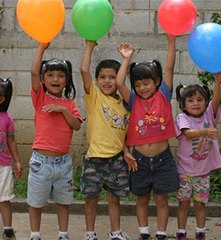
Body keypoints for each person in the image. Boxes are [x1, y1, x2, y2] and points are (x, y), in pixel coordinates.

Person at [116, 35, 179, 240]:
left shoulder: (163, 95)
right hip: (139, 160)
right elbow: (119, 83)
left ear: (157, 82)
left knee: (162, 199)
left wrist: (171, 42)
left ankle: (161, 233)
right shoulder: (133, 100)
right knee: (141, 199)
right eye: (138, 84)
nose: (142, 88)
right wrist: (126, 58)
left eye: (147, 83)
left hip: (163, 159)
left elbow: (169, 68)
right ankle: (144, 233)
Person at [27, 43, 82, 240]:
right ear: (43, 80)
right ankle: (35, 235)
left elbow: (76, 125)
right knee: (35, 202)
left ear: (66, 80)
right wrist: (42, 47)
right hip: (41, 162)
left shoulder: (70, 104)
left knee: (63, 202)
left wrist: (62, 110)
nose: (55, 79)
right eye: (50, 75)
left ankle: (63, 234)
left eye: (60, 75)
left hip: (63, 163)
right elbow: (33, 72)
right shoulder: (40, 98)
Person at [80, 40, 129, 240]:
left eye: (112, 77)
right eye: (102, 77)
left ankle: (115, 232)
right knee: (91, 199)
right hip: (94, 159)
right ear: (97, 80)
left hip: (116, 160)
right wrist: (90, 46)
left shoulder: (125, 103)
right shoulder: (94, 97)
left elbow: (127, 133)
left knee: (114, 198)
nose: (107, 81)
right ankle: (90, 233)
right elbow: (84, 70)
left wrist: (126, 59)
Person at [174, 73, 221, 240]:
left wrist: (217, 82)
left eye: (199, 100)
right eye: (190, 100)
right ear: (182, 104)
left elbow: (216, 102)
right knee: (183, 204)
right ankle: (181, 233)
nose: (195, 104)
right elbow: (188, 134)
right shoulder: (182, 117)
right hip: (184, 172)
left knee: (200, 204)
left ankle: (200, 232)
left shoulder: (209, 115)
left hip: (203, 173)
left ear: (205, 102)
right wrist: (205, 131)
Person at [0, 77, 22, 240]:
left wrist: (17, 161)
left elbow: (11, 140)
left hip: (3, 166)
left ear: (2, 99)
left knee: (4, 199)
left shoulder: (7, 118)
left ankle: (7, 229)